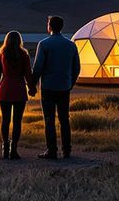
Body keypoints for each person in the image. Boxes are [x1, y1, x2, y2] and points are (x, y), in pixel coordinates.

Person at [30, 15, 81, 160]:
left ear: (50, 26)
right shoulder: (71, 45)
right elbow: (76, 67)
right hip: (64, 87)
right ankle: (67, 151)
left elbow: (38, 67)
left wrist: (33, 85)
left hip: (48, 88)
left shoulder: (44, 44)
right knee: (64, 119)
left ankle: (51, 151)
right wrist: (70, 83)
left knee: (49, 119)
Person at [0, 30, 33, 160]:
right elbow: (28, 74)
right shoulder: (24, 56)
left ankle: (5, 147)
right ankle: (14, 149)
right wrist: (32, 88)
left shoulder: (1, 55)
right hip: (19, 90)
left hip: (5, 90)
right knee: (17, 121)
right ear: (20, 41)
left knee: (5, 120)